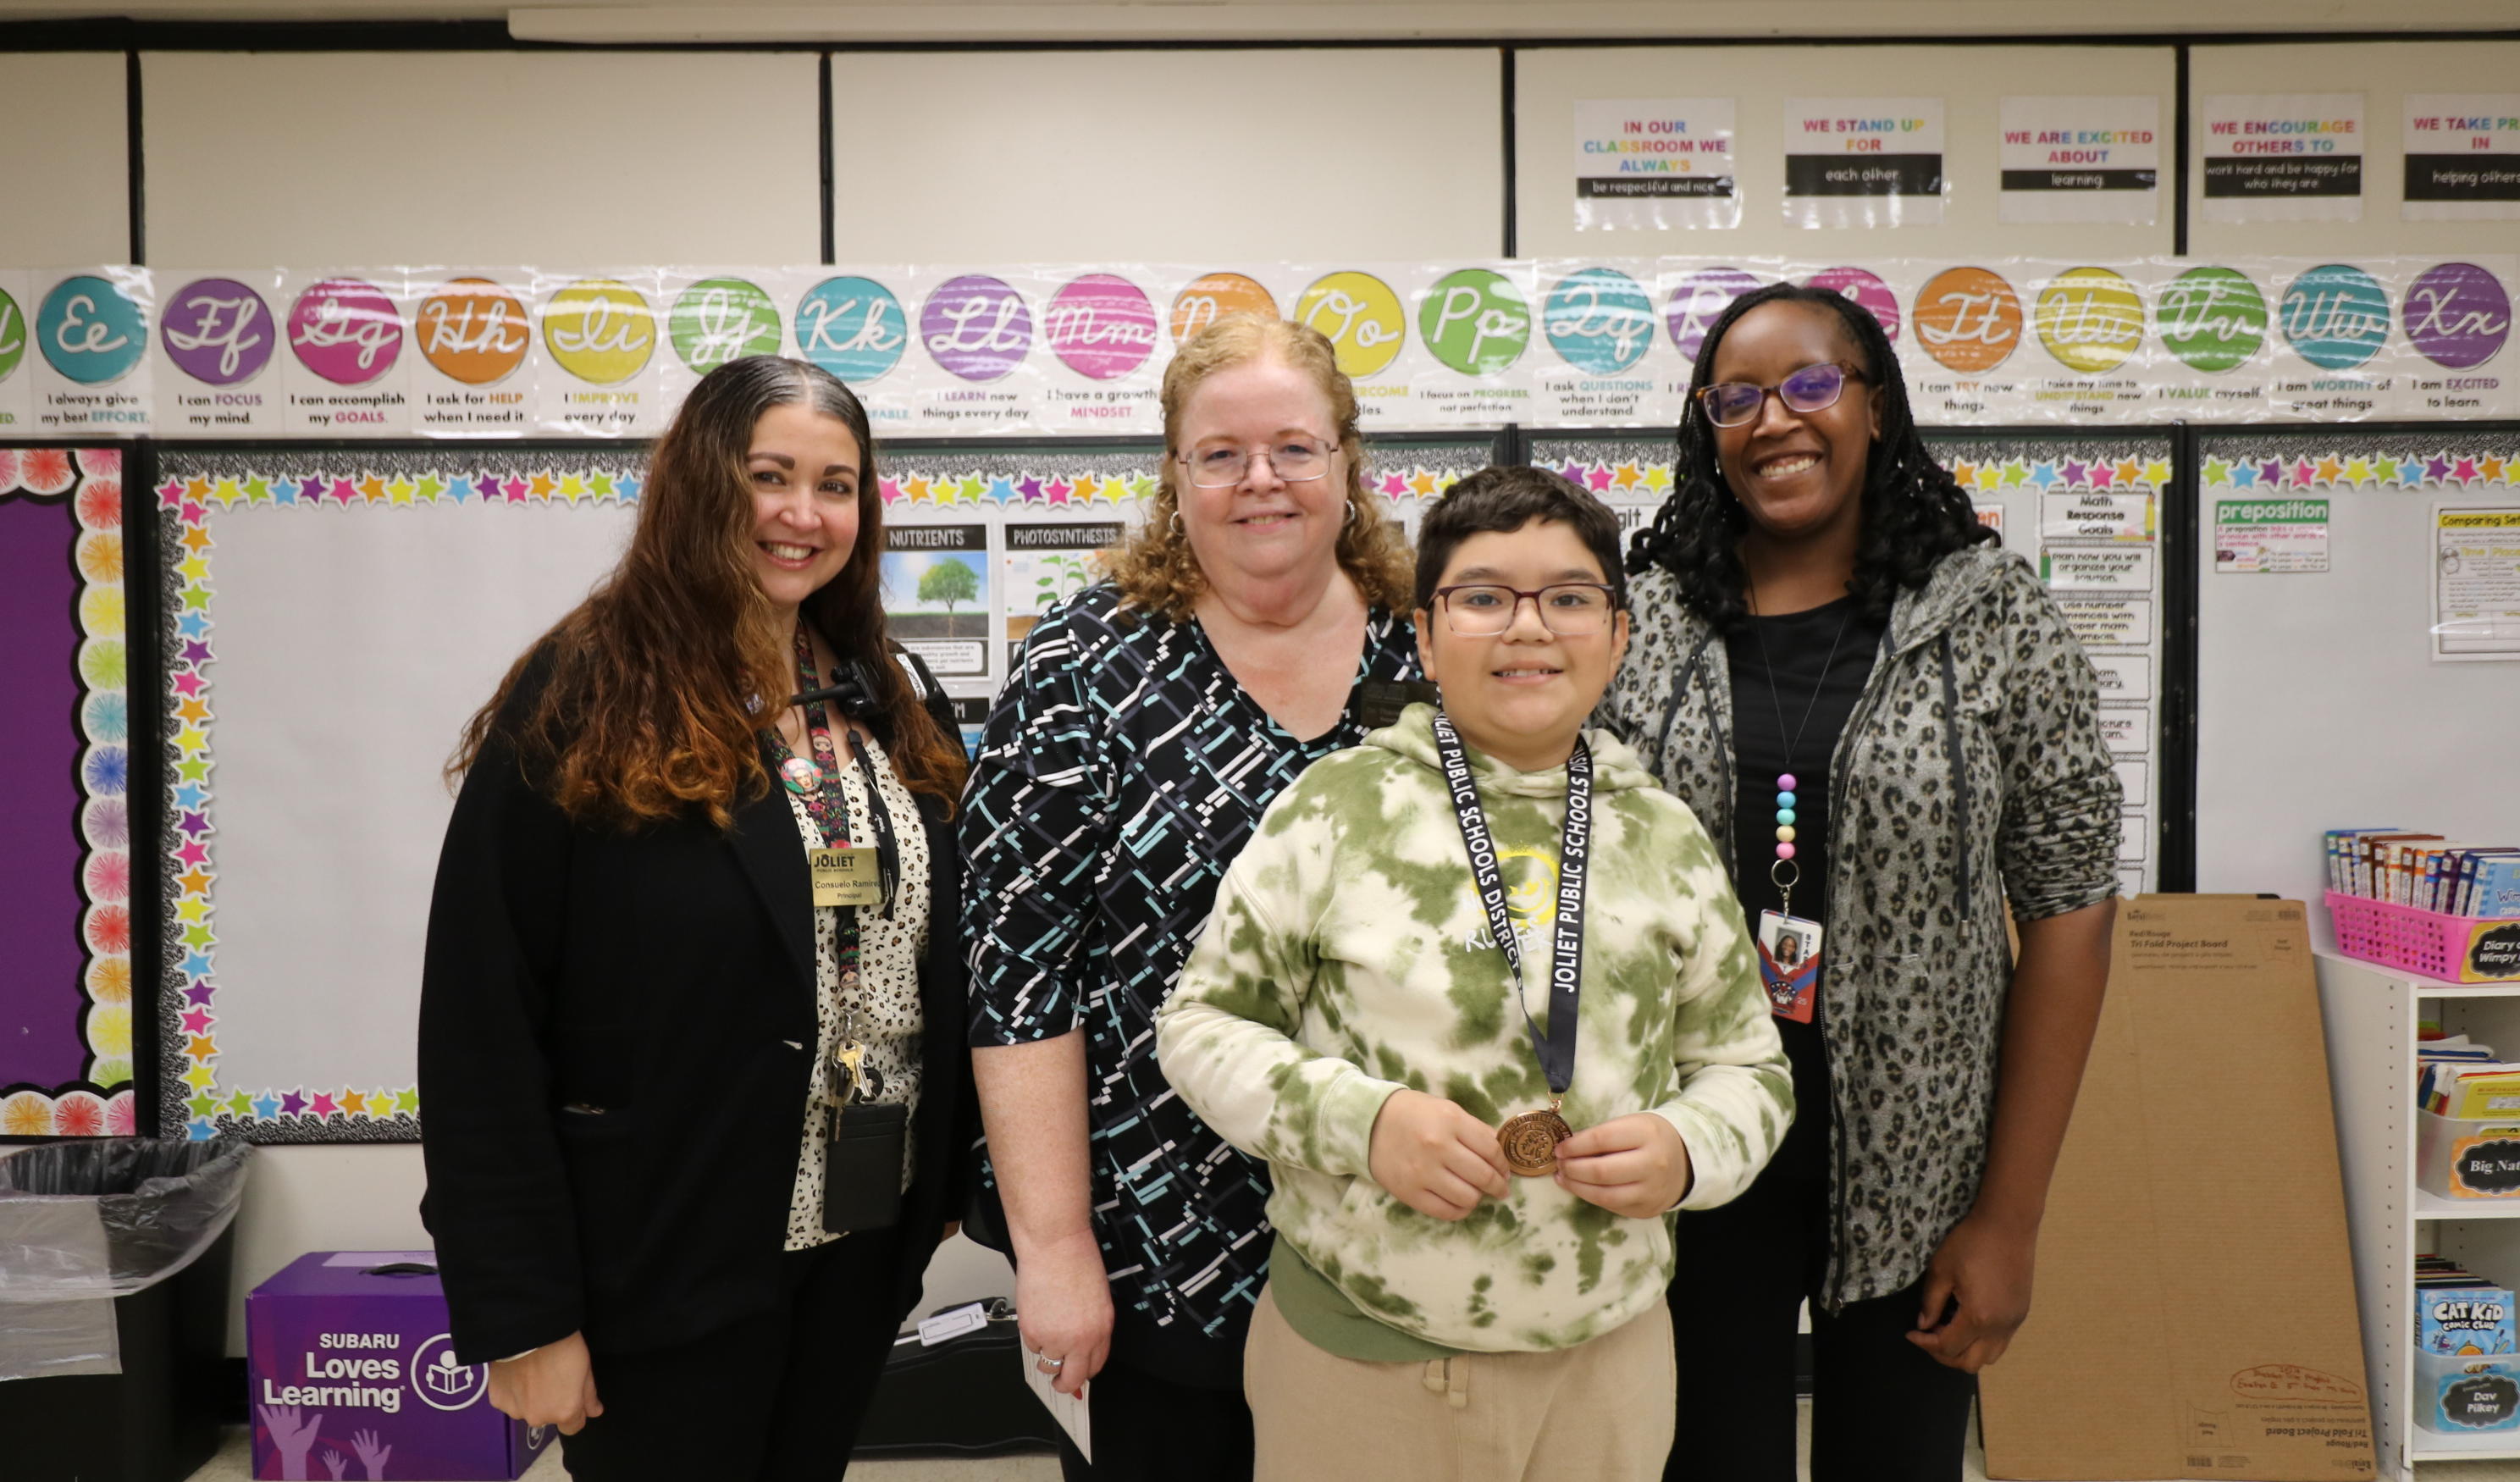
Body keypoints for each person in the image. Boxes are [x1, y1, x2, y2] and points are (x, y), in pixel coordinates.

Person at [1154, 467, 1794, 1482]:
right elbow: (1198, 1027)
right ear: (1423, 633)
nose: (1528, 628)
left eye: (1570, 597)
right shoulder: (1337, 810)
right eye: (1485, 596)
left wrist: (1688, 1144)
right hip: (1362, 1356)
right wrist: (1361, 1122)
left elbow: (1750, 1071)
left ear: (1619, 635)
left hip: (1610, 1358)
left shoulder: (1664, 835)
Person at [1599, 283, 2122, 1480]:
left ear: (1875, 405)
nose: (1773, 418)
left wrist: (2011, 1216)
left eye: (1810, 384)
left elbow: (2071, 914)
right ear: (1705, 427)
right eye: (1736, 396)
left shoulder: (1996, 619)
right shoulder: (1653, 620)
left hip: (1920, 1158)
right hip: (1692, 1148)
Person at [417, 355, 974, 1479]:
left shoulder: (889, 684)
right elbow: (481, 1010)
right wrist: (523, 1309)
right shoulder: (586, 688)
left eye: (837, 484)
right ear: (699, 482)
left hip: (858, 1236)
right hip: (664, 1246)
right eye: (769, 475)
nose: (802, 514)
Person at [963, 315, 1420, 1481]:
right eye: (1219, 454)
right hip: (1160, 1243)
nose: (1259, 480)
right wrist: (1055, 1246)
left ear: (1348, 461)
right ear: (1175, 477)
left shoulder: (1435, 655)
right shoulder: (1080, 667)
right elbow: (1020, 981)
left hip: (1409, 1244)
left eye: (1294, 448)